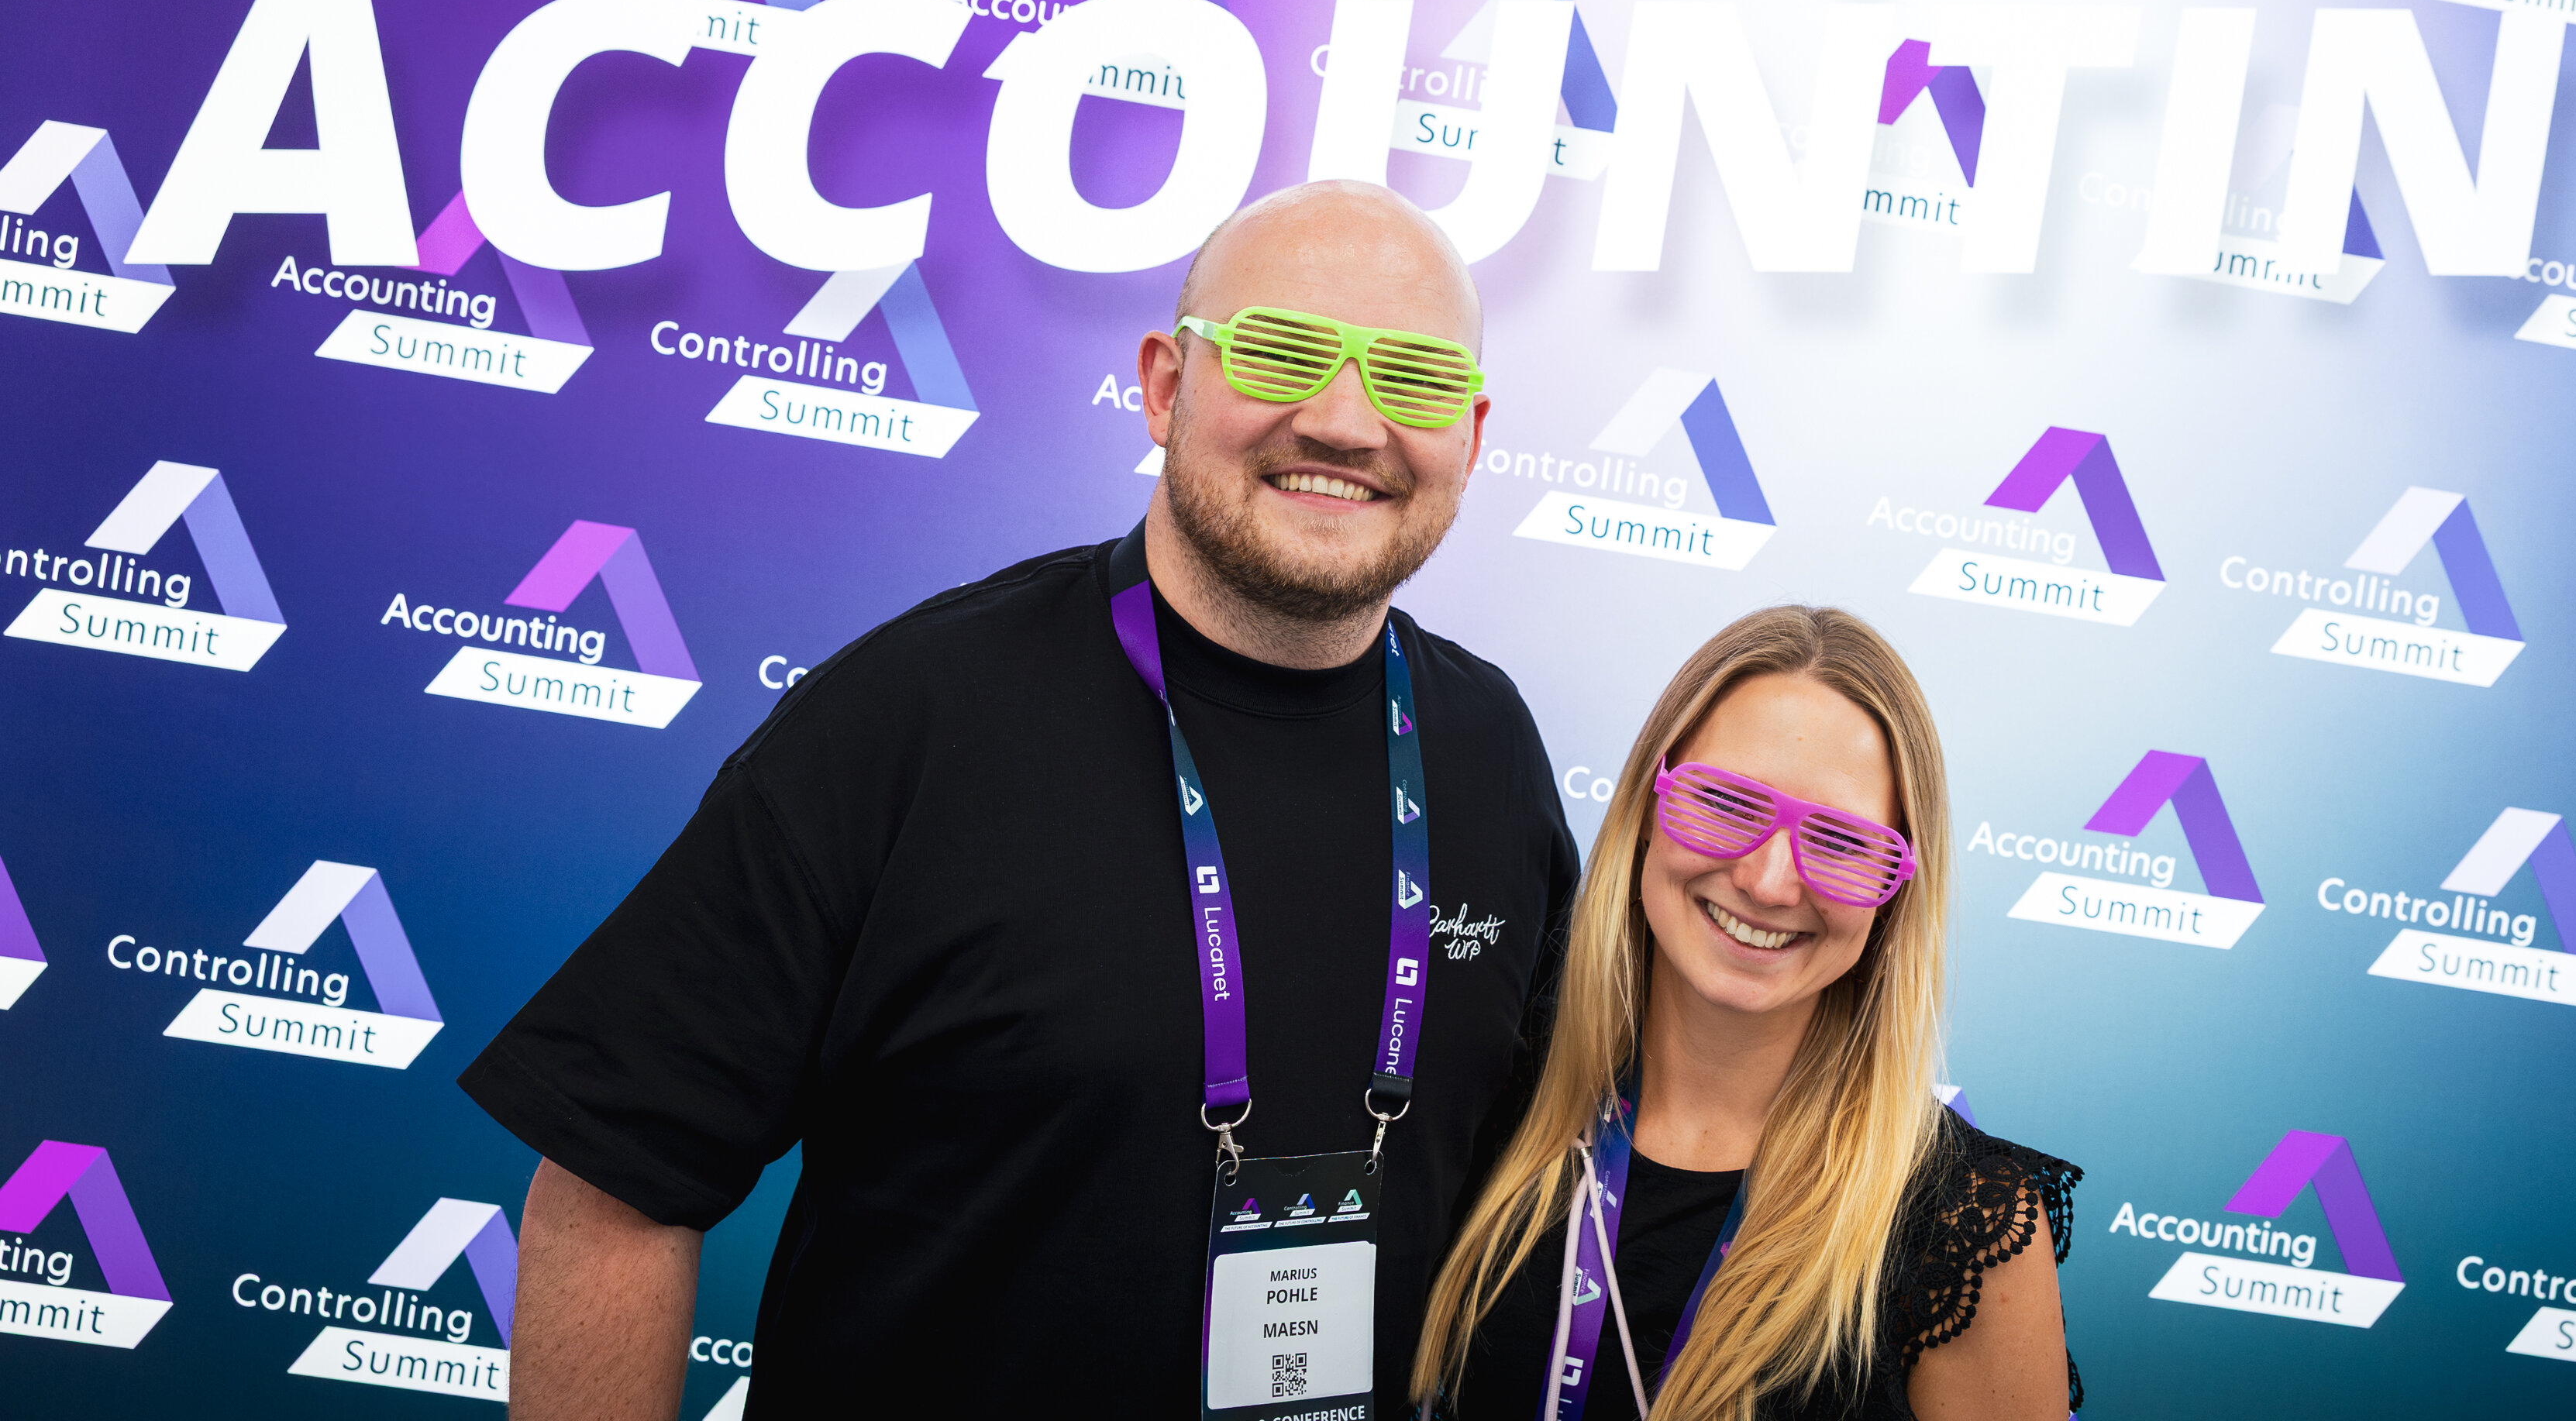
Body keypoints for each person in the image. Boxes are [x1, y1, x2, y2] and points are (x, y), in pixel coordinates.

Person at [459, 180, 1579, 1417]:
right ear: (1165, 385)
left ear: (1472, 435)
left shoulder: (1490, 752)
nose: (1345, 421)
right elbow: (614, 1186)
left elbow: (1540, 1189)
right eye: (1279, 353)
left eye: (1413, 378)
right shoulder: (913, 718)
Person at [1412, 607, 2080, 1421]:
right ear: (1647, 806)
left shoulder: (1966, 1224)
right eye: (1727, 803)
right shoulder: (1487, 1100)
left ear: (1894, 893)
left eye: (1840, 841)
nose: (1768, 881)